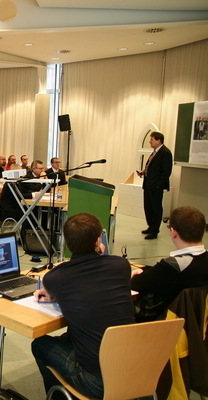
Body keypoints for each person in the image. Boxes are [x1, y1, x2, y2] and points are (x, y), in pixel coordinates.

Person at [31, 213, 135, 399]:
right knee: (70, 337)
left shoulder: (56, 278)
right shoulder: (121, 266)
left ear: (67, 243)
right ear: (98, 241)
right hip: (133, 371)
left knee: (40, 344)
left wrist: (56, 295)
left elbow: (64, 284)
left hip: (96, 382)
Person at [131, 206, 208, 321]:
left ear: (173, 233)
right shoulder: (201, 261)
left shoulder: (173, 266)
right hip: (197, 325)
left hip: (162, 323)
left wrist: (138, 274)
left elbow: (136, 284)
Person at [136, 131, 173, 240]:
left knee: (156, 208)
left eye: (152, 139)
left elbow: (166, 172)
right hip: (148, 185)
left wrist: (158, 185)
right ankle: (150, 226)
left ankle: (155, 231)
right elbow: (152, 168)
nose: (149, 141)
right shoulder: (154, 152)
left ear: (158, 140)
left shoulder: (165, 152)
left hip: (156, 187)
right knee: (148, 207)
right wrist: (144, 172)